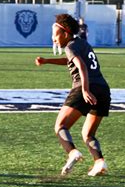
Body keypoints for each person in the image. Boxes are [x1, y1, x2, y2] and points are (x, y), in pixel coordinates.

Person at [35, 14, 111, 177]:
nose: (53, 39)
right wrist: (48, 61)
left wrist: (85, 89)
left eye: (55, 35)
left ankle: (73, 153)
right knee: (88, 134)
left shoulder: (70, 46)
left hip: (85, 87)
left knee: (60, 126)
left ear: (66, 33)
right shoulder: (82, 43)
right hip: (103, 89)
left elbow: (81, 65)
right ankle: (99, 162)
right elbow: (70, 60)